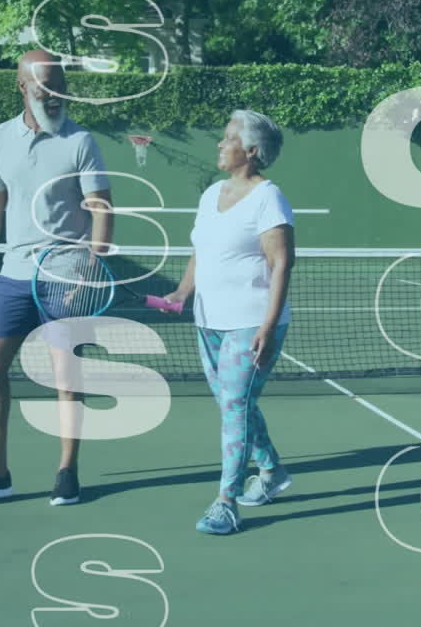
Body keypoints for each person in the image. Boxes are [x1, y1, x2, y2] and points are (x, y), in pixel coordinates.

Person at [0, 50, 112, 506]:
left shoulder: (81, 142)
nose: (56, 94)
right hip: (14, 276)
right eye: (45, 86)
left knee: (64, 375)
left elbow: (101, 209)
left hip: (66, 275)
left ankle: (67, 471)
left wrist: (89, 271)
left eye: (60, 85)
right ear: (23, 87)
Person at [161, 109, 295, 535]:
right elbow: (200, 251)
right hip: (208, 321)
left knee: (234, 409)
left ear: (251, 151)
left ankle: (226, 503)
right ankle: (272, 471)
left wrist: (268, 326)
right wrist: (182, 292)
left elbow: (282, 263)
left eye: (229, 139)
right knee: (234, 404)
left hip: (251, 323)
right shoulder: (211, 194)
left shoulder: (269, 198)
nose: (220, 144)